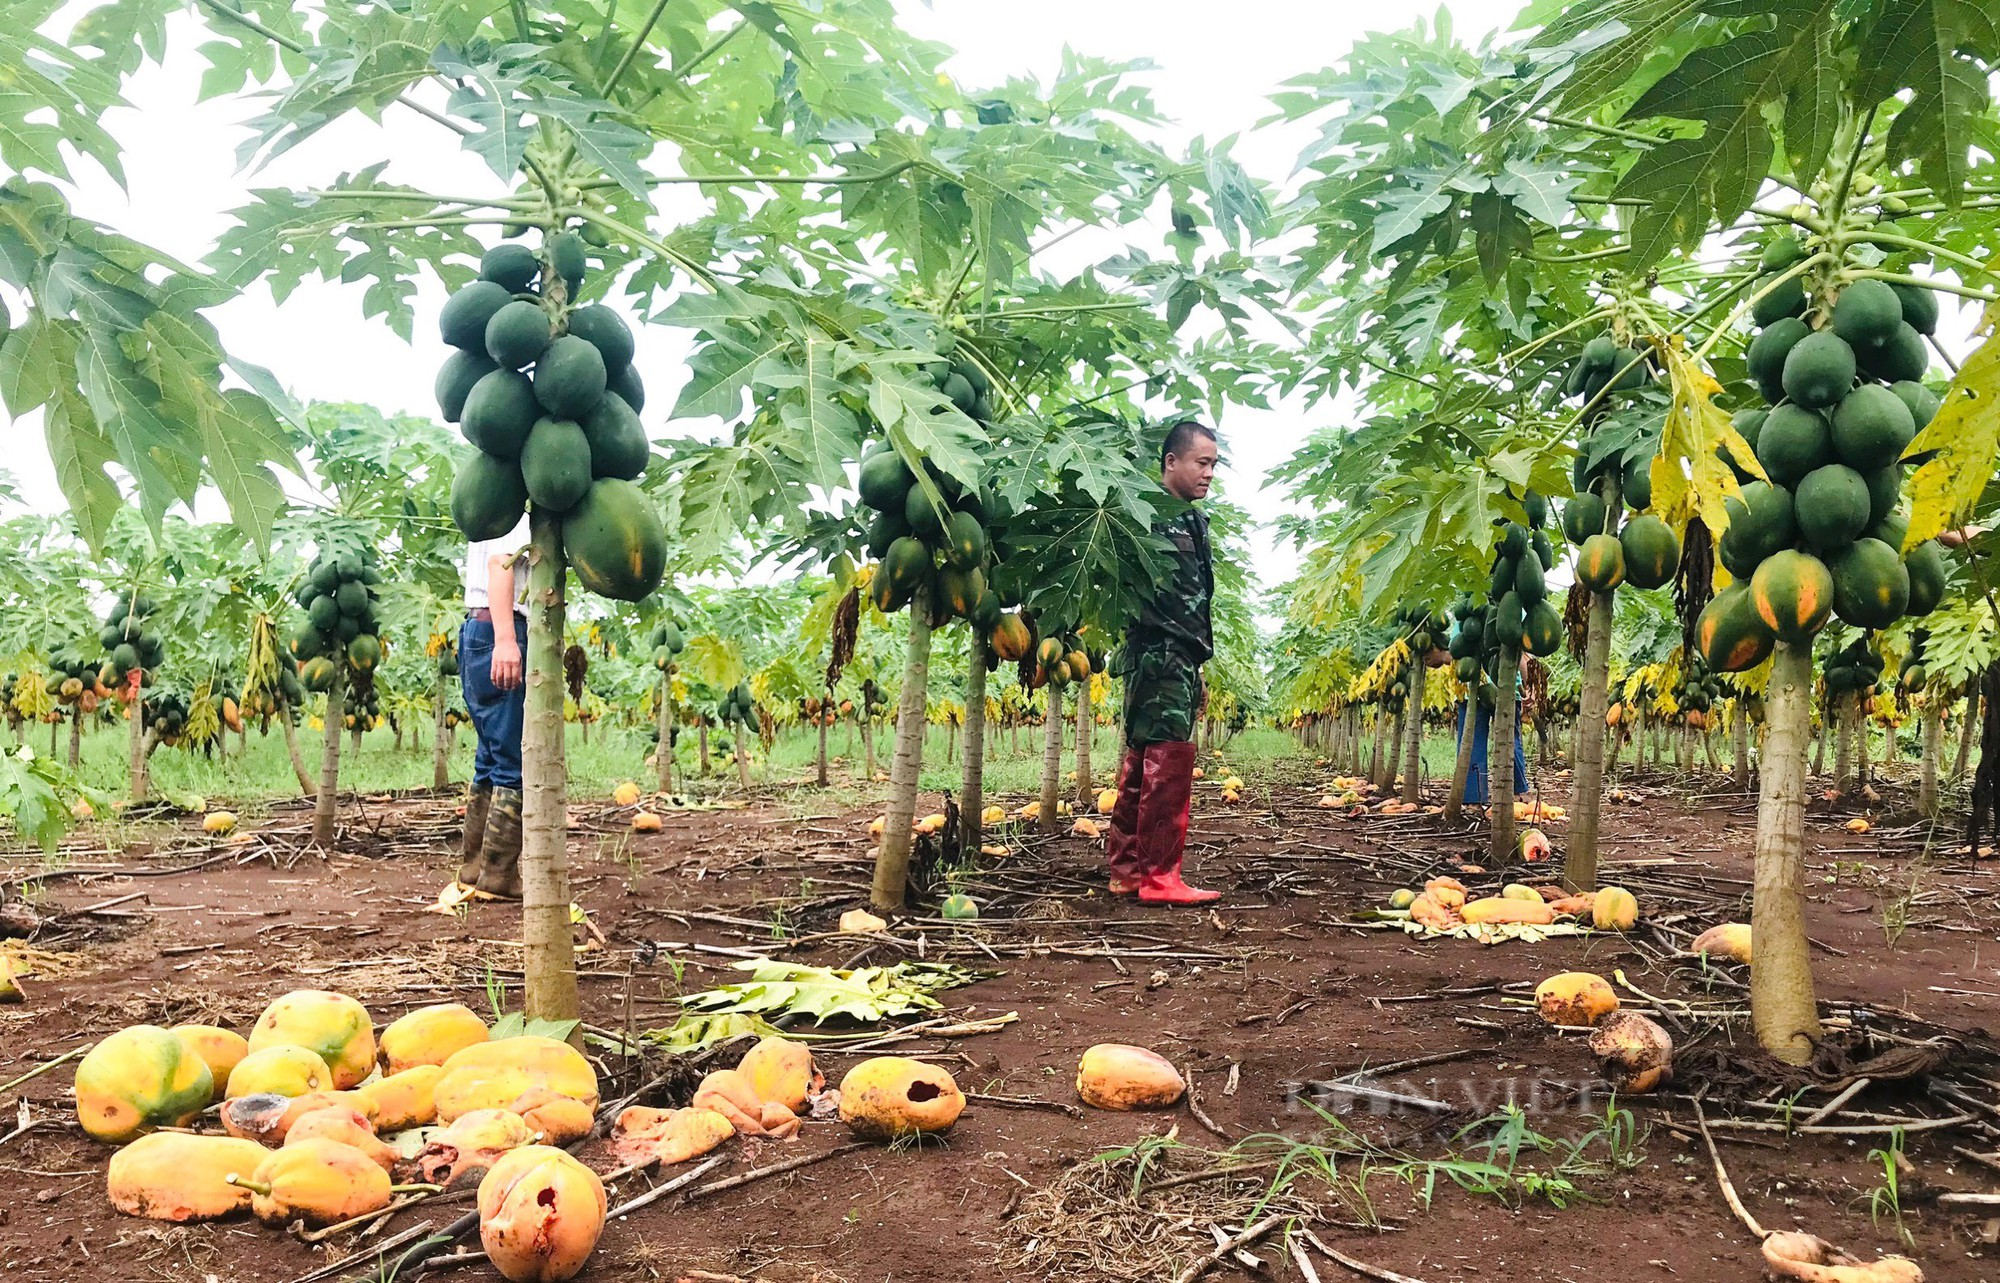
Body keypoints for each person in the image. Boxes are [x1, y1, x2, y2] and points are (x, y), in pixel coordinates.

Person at [1105, 420, 1222, 906]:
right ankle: (1160, 877)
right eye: (1202, 462)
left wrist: (1195, 664)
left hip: (1169, 657)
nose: (1210, 473)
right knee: (1167, 763)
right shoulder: (1151, 514)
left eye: (1214, 465)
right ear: (1171, 461)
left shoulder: (1184, 517)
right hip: (1161, 654)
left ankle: (1128, 869)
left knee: (1141, 760)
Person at [455, 518, 529, 899]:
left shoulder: (491, 505)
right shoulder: (514, 510)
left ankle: (473, 868)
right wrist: (506, 640)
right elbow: (501, 564)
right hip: (501, 628)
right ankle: (499, 874)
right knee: (512, 761)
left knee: (489, 757)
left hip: (476, 630)